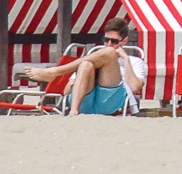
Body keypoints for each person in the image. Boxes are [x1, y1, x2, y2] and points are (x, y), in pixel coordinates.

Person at [17, 18, 145, 116]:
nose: (109, 44)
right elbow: (67, 91)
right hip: (84, 100)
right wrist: (86, 78)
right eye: (106, 40)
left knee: (109, 53)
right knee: (85, 64)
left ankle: (54, 72)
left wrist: (126, 59)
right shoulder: (91, 57)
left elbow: (135, 87)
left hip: (109, 101)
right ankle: (74, 112)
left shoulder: (135, 61)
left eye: (114, 41)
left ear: (124, 41)